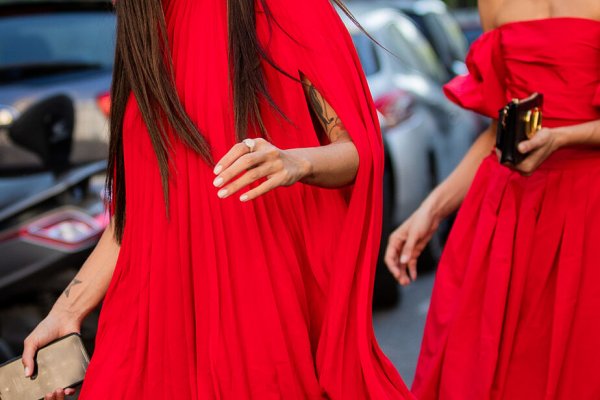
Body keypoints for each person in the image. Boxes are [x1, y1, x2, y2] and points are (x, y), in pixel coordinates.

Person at [22, 0, 414, 399]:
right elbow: (140, 214)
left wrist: (294, 161)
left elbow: (358, 153)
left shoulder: (286, 8)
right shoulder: (144, 25)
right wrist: (67, 311)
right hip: (154, 325)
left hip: (259, 316)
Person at [385, 0, 600, 398]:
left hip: (589, 210)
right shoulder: (495, 2)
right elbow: (495, 133)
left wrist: (563, 137)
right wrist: (430, 210)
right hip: (510, 213)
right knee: (482, 370)